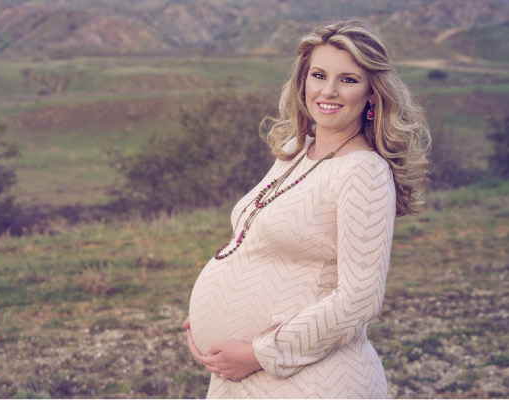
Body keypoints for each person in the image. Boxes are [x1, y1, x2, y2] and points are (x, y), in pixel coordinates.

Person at [184, 19, 431, 398]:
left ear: (372, 93)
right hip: (248, 378)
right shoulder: (296, 152)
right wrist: (208, 317)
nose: (328, 91)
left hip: (309, 381)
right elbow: (259, 245)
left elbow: (359, 299)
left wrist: (258, 352)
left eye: (348, 79)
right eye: (319, 75)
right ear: (303, 81)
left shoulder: (364, 171)